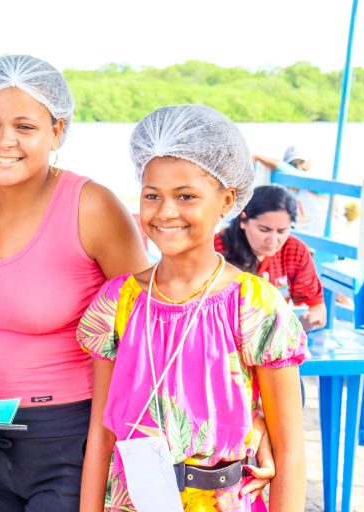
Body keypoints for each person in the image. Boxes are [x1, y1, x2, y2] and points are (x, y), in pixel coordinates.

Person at [0, 54, 151, 511]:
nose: (4, 141)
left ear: (57, 130)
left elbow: (149, 327)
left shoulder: (91, 206)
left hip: (72, 441)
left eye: (25, 126)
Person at [77, 105, 308, 511]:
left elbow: (289, 449)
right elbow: (102, 432)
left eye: (186, 196)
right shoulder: (117, 303)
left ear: (227, 200)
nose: (166, 212)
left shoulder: (253, 305)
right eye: (152, 195)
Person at [215, 184, 327, 331]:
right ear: (243, 220)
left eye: (282, 231)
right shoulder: (215, 251)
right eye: (264, 230)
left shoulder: (295, 251)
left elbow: (317, 307)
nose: (273, 240)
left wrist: (310, 319)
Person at [253, 146, 329, 235]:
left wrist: (258, 157)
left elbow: (291, 172)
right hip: (302, 238)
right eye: (293, 164)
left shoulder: (317, 184)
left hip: (325, 239)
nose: (298, 167)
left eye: (301, 162)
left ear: (309, 165)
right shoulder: (285, 191)